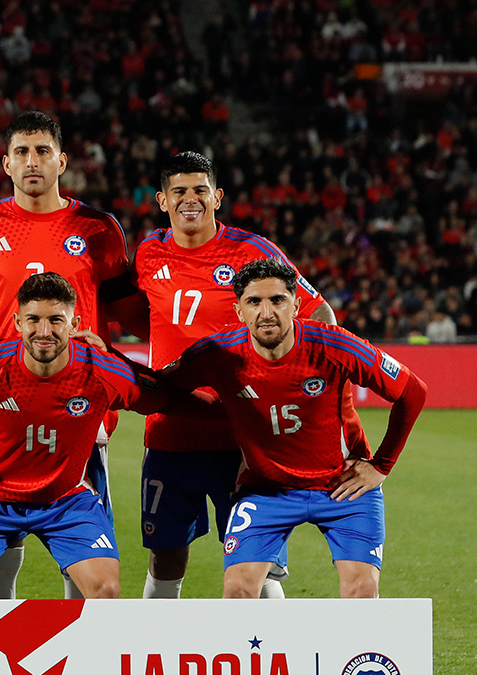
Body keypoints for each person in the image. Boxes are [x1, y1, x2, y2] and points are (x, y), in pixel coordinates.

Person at [129, 150, 370, 598]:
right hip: (168, 434)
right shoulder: (147, 252)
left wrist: (298, 392)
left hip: (243, 440)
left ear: (217, 196)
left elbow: (322, 316)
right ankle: (153, 657)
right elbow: (135, 315)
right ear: (162, 200)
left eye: (200, 190)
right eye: (179, 191)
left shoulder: (252, 251)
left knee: (255, 563)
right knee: (165, 554)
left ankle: (275, 660)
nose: (190, 200)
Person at [0, 111, 134, 598]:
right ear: (5, 163)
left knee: (84, 558)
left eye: (43, 151)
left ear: (62, 161)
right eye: (22, 152)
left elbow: (125, 306)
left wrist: (106, 352)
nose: (33, 161)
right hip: (1, 406)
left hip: (80, 408)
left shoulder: (98, 227)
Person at [0, 273, 211, 599]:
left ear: (74, 322)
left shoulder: (101, 369)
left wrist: (235, 406)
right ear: (17, 322)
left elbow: (165, 396)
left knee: (104, 589)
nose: (44, 331)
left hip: (66, 500)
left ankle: (79, 651)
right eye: (33, 319)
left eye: (56, 320)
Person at [162, 259, 426, 598]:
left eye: (278, 300)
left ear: (297, 305)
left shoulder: (334, 345)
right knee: (239, 590)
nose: (267, 312)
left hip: (343, 485)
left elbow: (413, 392)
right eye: (254, 302)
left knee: (361, 590)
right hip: (265, 489)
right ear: (238, 310)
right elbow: (161, 388)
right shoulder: (219, 353)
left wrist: (381, 466)